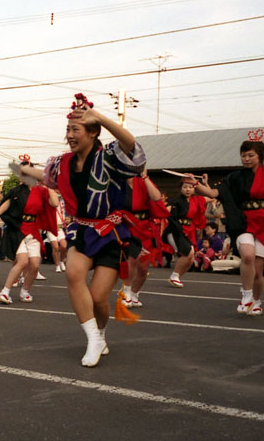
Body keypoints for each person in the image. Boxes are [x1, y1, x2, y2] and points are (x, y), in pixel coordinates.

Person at [36, 93, 146, 367]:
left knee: (98, 299)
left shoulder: (109, 156)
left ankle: (101, 332)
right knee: (73, 274)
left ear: (93, 132)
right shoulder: (61, 162)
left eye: (76, 129)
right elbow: (48, 178)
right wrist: (26, 170)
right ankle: (93, 339)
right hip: (81, 231)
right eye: (68, 129)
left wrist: (102, 118)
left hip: (109, 233)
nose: (70, 135)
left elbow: (132, 147)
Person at [185, 129, 264, 315]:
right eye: (243, 155)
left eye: (250, 155)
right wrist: (195, 184)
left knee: (258, 270)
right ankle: (246, 295)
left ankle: (257, 300)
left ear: (260, 156)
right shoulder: (234, 177)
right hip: (243, 221)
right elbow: (214, 193)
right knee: (247, 255)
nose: (246, 159)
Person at [0, 161, 58, 305]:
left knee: (34, 265)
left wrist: (49, 183)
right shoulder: (16, 192)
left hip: (33, 230)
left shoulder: (42, 191)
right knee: (22, 261)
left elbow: (55, 203)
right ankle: (5, 292)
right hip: (17, 229)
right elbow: (1, 209)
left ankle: (25, 290)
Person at [118, 169, 168, 308]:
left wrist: (145, 177)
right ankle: (126, 291)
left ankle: (135, 293)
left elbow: (156, 197)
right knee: (132, 259)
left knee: (144, 267)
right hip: (128, 227)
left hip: (145, 227)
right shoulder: (118, 183)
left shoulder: (142, 182)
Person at [163, 179, 206, 288]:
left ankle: (176, 276)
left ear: (194, 188)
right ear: (180, 189)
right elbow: (165, 210)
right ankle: (174, 275)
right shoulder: (176, 201)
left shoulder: (197, 200)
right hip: (175, 230)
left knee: (191, 258)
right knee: (188, 253)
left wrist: (204, 184)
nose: (187, 189)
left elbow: (211, 196)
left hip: (189, 231)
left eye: (190, 187)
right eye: (185, 187)